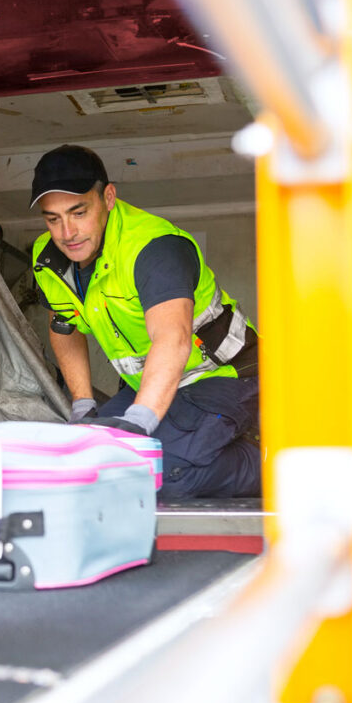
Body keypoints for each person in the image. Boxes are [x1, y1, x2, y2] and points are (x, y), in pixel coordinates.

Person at [29, 144, 260, 499]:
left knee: (161, 478)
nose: (67, 233)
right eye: (52, 218)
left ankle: (268, 462)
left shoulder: (152, 248)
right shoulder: (48, 258)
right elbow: (64, 325)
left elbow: (174, 338)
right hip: (151, 384)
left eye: (78, 212)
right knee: (92, 469)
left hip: (226, 376)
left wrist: (139, 422)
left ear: (107, 197)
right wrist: (83, 405)